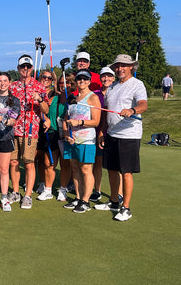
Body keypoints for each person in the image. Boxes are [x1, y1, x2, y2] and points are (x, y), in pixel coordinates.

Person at [95, 54, 147, 221]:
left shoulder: (137, 85)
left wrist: (132, 111)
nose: (119, 69)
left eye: (123, 65)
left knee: (126, 172)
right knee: (111, 169)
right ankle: (114, 201)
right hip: (112, 133)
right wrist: (102, 132)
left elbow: (143, 105)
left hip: (129, 135)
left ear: (131, 66)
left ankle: (126, 208)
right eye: (117, 66)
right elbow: (107, 113)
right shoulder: (113, 86)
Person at [9, 55, 49, 209]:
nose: (25, 69)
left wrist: (39, 99)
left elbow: (45, 109)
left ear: (32, 68)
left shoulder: (39, 86)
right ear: (18, 68)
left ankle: (28, 195)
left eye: (28, 67)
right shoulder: (13, 86)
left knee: (29, 163)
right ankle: (15, 191)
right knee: (13, 162)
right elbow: (9, 107)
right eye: (22, 67)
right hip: (14, 129)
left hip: (30, 130)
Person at [62, 70, 101, 214]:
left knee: (85, 169)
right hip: (72, 140)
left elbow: (96, 121)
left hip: (86, 139)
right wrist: (66, 134)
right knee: (75, 169)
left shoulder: (93, 98)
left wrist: (79, 122)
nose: (82, 81)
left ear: (90, 81)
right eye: (79, 79)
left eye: (85, 79)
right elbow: (66, 119)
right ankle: (78, 198)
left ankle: (86, 200)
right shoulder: (73, 98)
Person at [0, 72, 20, 211]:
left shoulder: (14, 99)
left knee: (4, 169)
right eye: (0, 81)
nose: (2, 83)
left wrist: (10, 121)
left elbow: (14, 117)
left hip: (6, 137)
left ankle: (5, 197)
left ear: (9, 82)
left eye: (5, 80)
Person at [90, 66, 117, 202]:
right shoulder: (95, 94)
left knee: (114, 165)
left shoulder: (118, 92)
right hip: (97, 131)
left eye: (109, 76)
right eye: (103, 76)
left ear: (113, 78)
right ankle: (97, 190)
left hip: (114, 132)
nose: (106, 79)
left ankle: (119, 193)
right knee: (98, 162)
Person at [34, 70, 62, 201]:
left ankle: (49, 188)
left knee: (48, 160)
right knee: (38, 157)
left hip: (50, 129)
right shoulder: (35, 91)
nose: (46, 79)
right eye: (43, 77)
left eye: (49, 78)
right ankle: (42, 182)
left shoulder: (55, 94)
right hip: (35, 127)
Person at [56, 73, 75, 201]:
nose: (64, 85)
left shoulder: (74, 97)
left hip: (69, 134)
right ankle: (64, 187)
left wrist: (66, 132)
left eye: (67, 83)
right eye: (61, 83)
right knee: (63, 163)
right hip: (57, 133)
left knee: (69, 163)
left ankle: (70, 186)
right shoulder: (57, 97)